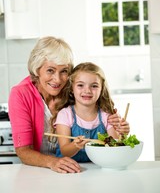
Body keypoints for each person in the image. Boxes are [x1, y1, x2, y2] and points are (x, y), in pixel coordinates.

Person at [8, 36, 129, 173]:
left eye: (64, 71)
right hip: (40, 170)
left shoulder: (73, 89)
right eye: (50, 70)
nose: (57, 79)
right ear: (37, 69)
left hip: (80, 169)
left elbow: (100, 113)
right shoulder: (20, 94)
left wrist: (117, 124)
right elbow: (23, 151)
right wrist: (53, 162)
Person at [55, 62, 126, 162]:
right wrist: (75, 145)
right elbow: (64, 151)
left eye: (94, 86)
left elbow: (115, 147)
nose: (87, 90)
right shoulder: (65, 115)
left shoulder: (106, 115)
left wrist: (121, 133)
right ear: (71, 88)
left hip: (98, 169)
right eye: (80, 85)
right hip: (69, 170)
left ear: (101, 89)